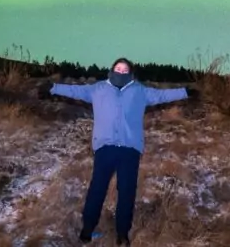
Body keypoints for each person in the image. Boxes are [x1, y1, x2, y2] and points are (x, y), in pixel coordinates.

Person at [49, 57, 197, 246]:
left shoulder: (139, 91)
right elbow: (74, 90)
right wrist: (52, 87)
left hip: (130, 150)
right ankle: (86, 230)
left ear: (130, 73)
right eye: (117, 68)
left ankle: (122, 235)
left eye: (124, 69)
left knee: (126, 192)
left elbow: (162, 95)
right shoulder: (98, 89)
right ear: (112, 70)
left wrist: (185, 91)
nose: (120, 72)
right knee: (97, 189)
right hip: (105, 148)